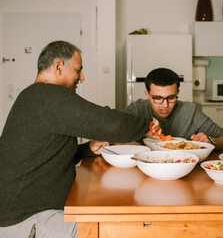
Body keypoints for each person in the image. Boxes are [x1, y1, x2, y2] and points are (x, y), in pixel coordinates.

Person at [0, 40, 161, 238]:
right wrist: (146, 125)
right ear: (59, 67)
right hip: (26, 219)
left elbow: (46, 155)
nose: (82, 77)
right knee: (110, 230)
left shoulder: (32, 96)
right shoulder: (50, 97)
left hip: (22, 213)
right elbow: (109, 123)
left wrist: (87, 149)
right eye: (78, 70)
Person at [124, 68, 223, 151]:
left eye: (171, 97)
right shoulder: (137, 109)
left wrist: (211, 142)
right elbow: (111, 134)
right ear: (147, 95)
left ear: (178, 92)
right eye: (157, 98)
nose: (165, 105)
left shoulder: (190, 111)